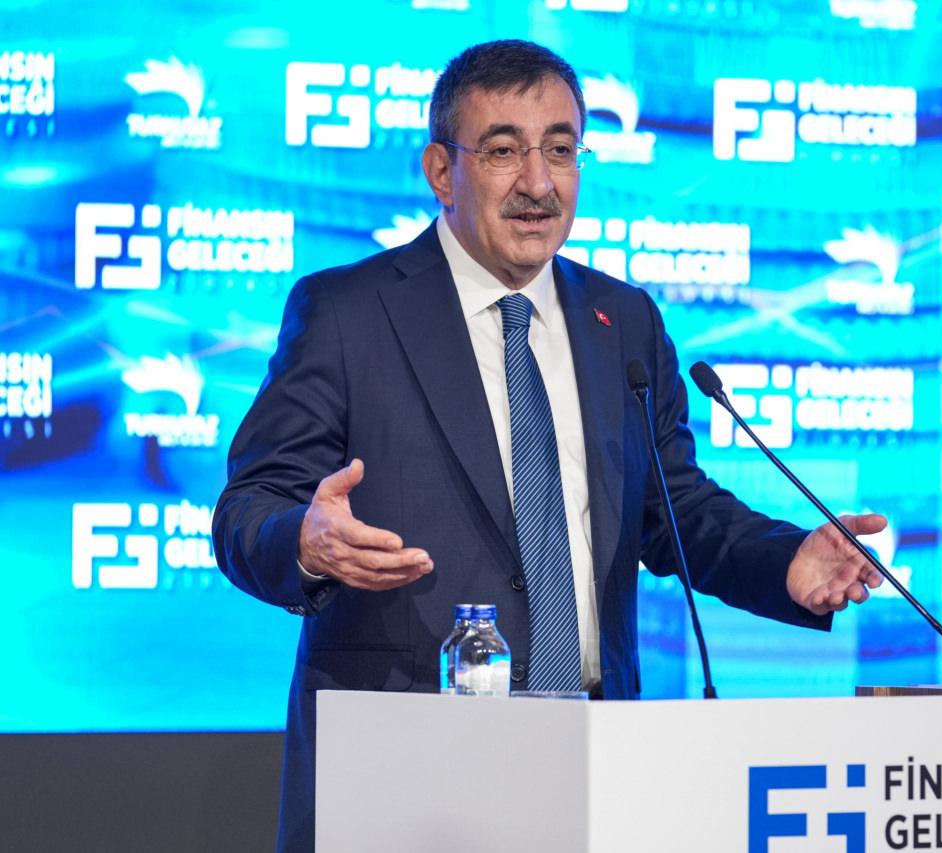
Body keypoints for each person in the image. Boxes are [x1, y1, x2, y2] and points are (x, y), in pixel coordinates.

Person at [213, 39, 885, 851]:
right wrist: (304, 540)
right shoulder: (348, 313)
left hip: (595, 763)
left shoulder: (622, 321)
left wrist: (786, 561)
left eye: (560, 150)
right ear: (441, 171)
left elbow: (673, 507)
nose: (538, 182)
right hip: (404, 763)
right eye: (503, 151)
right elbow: (248, 509)